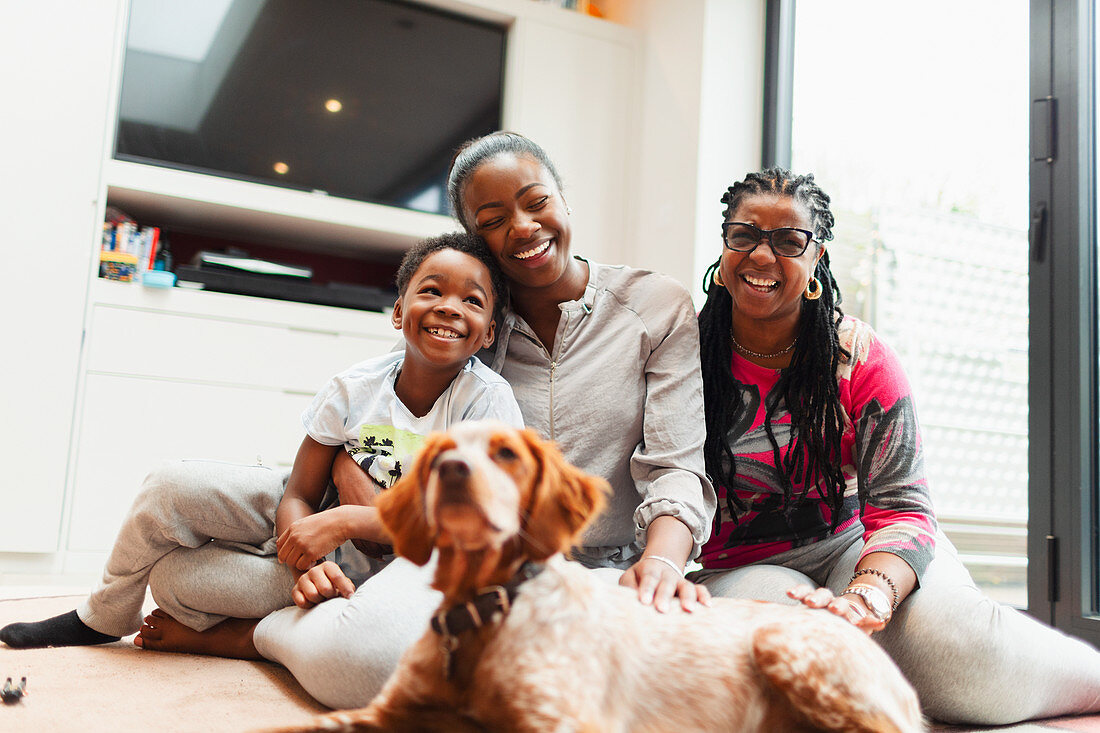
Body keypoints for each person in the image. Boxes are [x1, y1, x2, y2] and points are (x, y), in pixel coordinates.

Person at [131, 132, 716, 710]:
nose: (523, 227)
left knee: (374, 659)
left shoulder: (655, 307)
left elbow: (676, 467)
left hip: (575, 562)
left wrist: (660, 565)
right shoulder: (471, 315)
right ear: (475, 237)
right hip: (431, 528)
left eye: (537, 203)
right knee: (184, 523)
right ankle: (312, 596)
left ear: (563, 199)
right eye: (493, 218)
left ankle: (253, 638)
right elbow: (384, 401)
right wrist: (348, 471)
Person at [691, 166, 1100, 725]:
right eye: (745, 234)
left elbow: (903, 506)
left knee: (961, 658)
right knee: (802, 651)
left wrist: (872, 594)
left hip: (856, 542)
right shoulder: (683, 356)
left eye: (789, 241)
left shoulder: (858, 356)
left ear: (819, 260)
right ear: (725, 246)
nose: (763, 255)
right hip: (733, 566)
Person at [0, 231, 523, 653]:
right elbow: (297, 492)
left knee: (173, 581)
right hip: (311, 525)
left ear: (489, 332)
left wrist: (340, 529)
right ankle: (101, 617)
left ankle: (252, 622)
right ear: (398, 310)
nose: (449, 307)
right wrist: (302, 553)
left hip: (376, 574)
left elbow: (476, 528)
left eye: (471, 301)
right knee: (168, 485)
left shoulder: (486, 404)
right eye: (431, 291)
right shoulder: (353, 387)